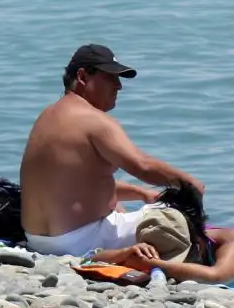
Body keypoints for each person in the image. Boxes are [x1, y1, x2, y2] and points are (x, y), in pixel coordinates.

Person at [20, 44, 201, 257]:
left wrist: (141, 193)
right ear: (82, 76)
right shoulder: (93, 119)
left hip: (39, 240)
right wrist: (191, 186)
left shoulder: (47, 117)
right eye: (111, 77)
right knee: (183, 222)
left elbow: (76, 184)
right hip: (80, 241)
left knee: (119, 207)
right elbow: (142, 165)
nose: (119, 86)